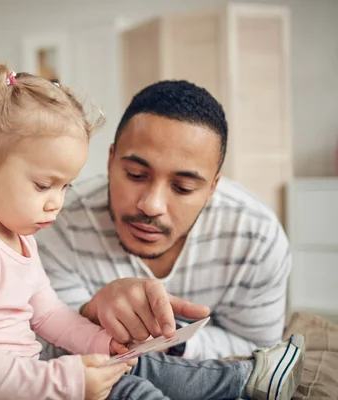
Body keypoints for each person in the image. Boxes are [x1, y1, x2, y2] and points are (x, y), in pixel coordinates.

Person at [0, 62, 304, 400]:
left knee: (136, 366)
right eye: (44, 185)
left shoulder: (20, 233)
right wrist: (65, 380)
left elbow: (50, 315)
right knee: (127, 390)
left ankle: (250, 378)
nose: (56, 203)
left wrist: (106, 345)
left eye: (66, 186)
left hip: (32, 385)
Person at [35, 80, 292, 361]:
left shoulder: (256, 237)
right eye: (135, 174)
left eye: (182, 187)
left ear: (212, 188)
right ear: (110, 161)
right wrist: (89, 313)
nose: (151, 205)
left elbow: (260, 349)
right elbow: (41, 345)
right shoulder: (55, 221)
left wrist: (172, 338)